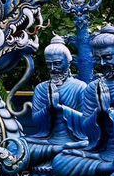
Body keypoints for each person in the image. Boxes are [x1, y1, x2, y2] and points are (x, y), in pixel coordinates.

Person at [53, 26, 114, 176]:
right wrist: (99, 113)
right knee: (60, 161)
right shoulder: (92, 88)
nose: (103, 63)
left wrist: (110, 112)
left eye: (108, 57)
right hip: (100, 155)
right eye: (98, 59)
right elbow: (85, 130)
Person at [25, 37, 87, 167]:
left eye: (57, 63)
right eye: (49, 64)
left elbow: (87, 122)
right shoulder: (41, 88)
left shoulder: (80, 87)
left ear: (68, 62)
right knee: (18, 146)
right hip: (47, 141)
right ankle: (59, 151)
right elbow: (36, 121)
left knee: (84, 149)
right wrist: (49, 108)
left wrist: (61, 109)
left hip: (74, 141)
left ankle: (60, 152)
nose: (53, 68)